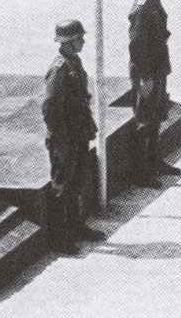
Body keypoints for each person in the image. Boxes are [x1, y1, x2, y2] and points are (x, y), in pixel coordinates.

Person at [42, 19, 107, 254]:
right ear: (69, 42)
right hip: (65, 137)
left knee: (77, 181)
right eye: (80, 38)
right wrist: (60, 136)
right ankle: (59, 238)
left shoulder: (73, 62)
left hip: (77, 133)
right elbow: (49, 105)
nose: (83, 41)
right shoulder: (59, 68)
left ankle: (75, 226)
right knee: (62, 185)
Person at [128, 0, 181, 189]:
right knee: (144, 120)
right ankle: (141, 171)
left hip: (156, 65)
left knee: (156, 114)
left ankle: (154, 161)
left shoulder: (152, 0)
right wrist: (145, 77)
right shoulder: (143, 6)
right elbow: (137, 44)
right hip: (147, 69)